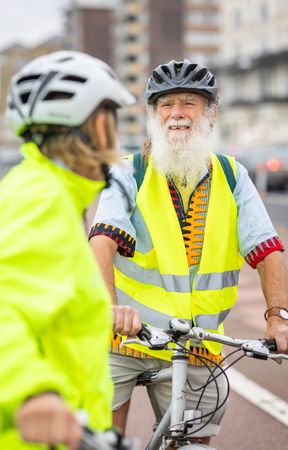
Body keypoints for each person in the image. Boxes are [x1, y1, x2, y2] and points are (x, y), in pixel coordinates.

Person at [89, 59, 288, 446]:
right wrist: (109, 308)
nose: (177, 114)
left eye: (189, 103)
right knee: (101, 440)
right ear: (153, 114)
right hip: (123, 338)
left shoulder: (232, 175)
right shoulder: (128, 173)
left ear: (210, 113)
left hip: (197, 343)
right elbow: (102, 241)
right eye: (166, 104)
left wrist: (278, 319)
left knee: (191, 443)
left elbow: (268, 251)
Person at [0, 50, 134, 450]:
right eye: (110, 122)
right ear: (91, 127)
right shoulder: (42, 198)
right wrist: (32, 392)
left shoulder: (45, 191)